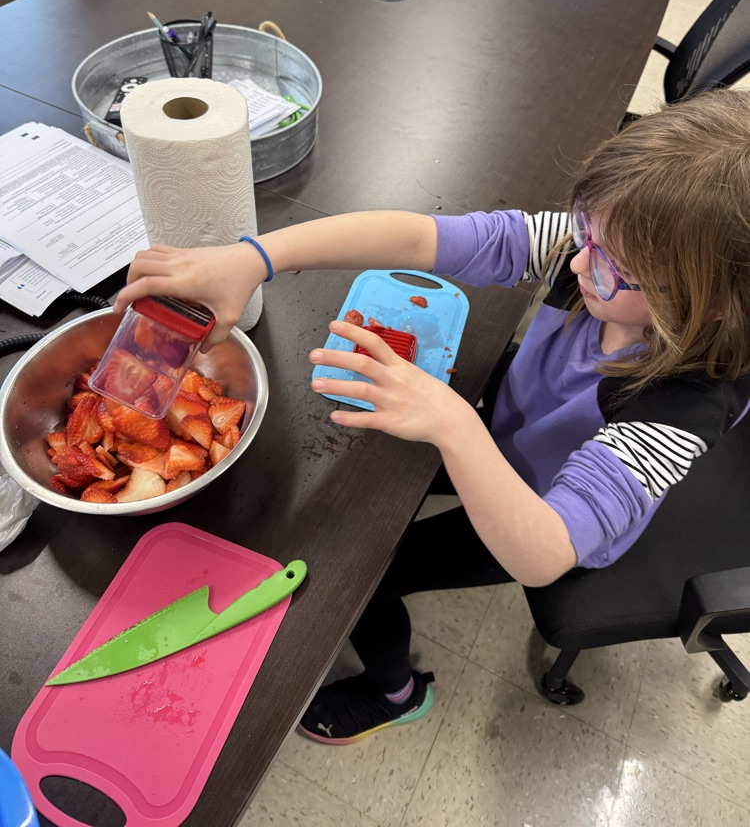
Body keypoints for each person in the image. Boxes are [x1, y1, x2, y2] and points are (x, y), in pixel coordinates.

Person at [114, 88, 750, 744]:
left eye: (615, 266)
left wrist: (453, 423)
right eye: (585, 226)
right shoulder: (593, 253)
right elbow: (422, 235)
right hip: (512, 433)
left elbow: (544, 552)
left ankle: (395, 692)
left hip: (538, 507)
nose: (581, 258)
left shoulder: (680, 410)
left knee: (371, 574)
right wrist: (254, 257)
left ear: (712, 303)